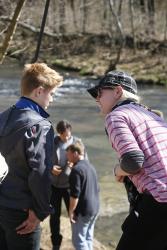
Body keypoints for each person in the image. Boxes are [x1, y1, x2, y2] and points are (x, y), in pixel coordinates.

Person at [87, 70, 167, 250]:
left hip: (159, 200)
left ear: (117, 91)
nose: (96, 99)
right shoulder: (152, 116)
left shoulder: (116, 116)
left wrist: (118, 170)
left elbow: (133, 161)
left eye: (99, 93)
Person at [0, 63, 62, 250]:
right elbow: (41, 173)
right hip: (22, 212)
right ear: (39, 91)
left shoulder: (2, 117)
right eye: (51, 94)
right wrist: (40, 211)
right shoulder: (39, 126)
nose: (51, 99)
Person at [50, 120, 88, 250]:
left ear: (70, 131)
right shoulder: (53, 142)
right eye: (63, 135)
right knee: (54, 217)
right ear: (59, 133)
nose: (66, 137)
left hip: (69, 187)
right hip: (54, 186)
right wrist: (51, 168)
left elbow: (85, 164)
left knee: (74, 215)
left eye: (67, 134)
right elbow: (44, 158)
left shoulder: (77, 143)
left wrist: (74, 166)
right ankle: (56, 244)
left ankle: (77, 242)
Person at [67, 141, 100, 250]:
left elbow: (74, 195)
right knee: (88, 237)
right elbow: (97, 188)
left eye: (68, 153)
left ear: (75, 153)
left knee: (79, 241)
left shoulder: (76, 170)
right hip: (95, 208)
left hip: (83, 211)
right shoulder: (90, 167)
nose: (67, 156)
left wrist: (71, 212)